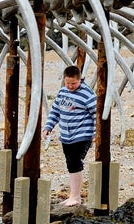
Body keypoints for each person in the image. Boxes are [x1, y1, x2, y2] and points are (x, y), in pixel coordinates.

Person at [42, 65, 97, 206]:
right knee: (70, 163)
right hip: (66, 135)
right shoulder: (62, 93)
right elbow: (55, 111)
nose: (70, 86)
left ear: (80, 79)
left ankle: (76, 197)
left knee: (75, 163)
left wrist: (97, 133)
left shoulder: (88, 94)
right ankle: (73, 195)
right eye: (68, 83)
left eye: (73, 83)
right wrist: (48, 126)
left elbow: (97, 114)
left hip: (82, 134)